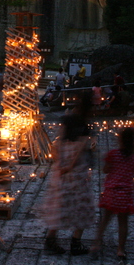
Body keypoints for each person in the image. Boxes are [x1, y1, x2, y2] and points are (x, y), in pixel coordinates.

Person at [42, 92, 97, 255]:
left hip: (62, 169)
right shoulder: (85, 123)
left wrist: (58, 162)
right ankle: (76, 242)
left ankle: (51, 240)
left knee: (60, 205)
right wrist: (70, 166)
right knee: (82, 207)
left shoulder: (68, 118)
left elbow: (56, 142)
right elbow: (81, 147)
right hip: (76, 170)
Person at [90, 128, 134, 264]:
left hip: (111, 193)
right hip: (125, 194)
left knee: (105, 220)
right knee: (123, 223)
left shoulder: (113, 154)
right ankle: (120, 249)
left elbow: (105, 170)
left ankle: (96, 244)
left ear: (119, 140)